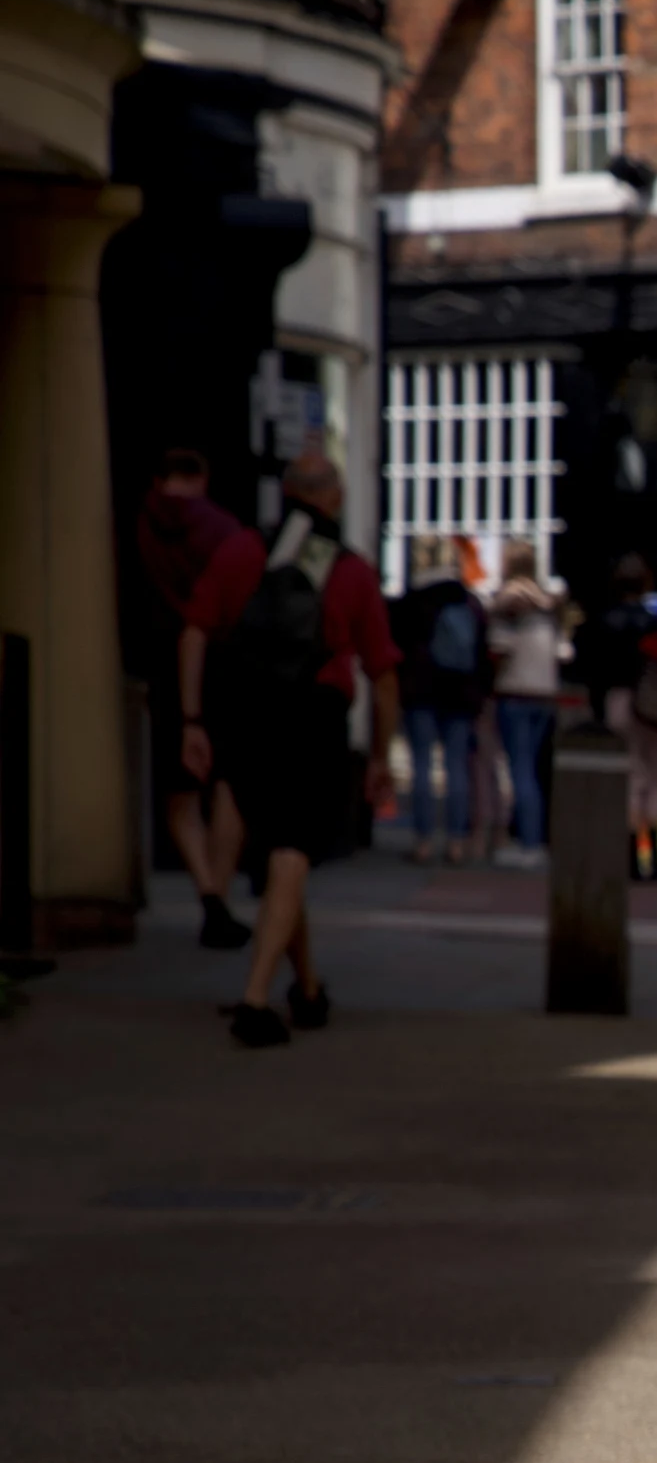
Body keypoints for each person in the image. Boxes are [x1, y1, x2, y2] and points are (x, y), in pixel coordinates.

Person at [181, 448, 397, 1049]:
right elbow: (383, 675)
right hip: (312, 721)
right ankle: (255, 999)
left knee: (279, 851)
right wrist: (380, 756)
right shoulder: (350, 571)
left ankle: (307, 987)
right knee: (294, 850)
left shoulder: (241, 551)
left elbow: (196, 630)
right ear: (334, 498)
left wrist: (193, 719)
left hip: (245, 717)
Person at [135, 448, 252, 947]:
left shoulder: (140, 523)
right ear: (200, 478)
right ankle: (220, 898)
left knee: (180, 792)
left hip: (163, 661)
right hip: (222, 661)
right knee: (227, 783)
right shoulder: (223, 530)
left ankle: (206, 891)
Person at [577, 555, 657, 880]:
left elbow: (592, 673)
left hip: (620, 704)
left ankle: (631, 859)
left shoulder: (604, 622)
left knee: (630, 780)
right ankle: (656, 858)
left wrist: (596, 713)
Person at [389, 535, 489, 866]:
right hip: (460, 694)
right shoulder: (470, 603)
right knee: (456, 766)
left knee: (421, 766)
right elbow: (482, 654)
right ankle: (457, 842)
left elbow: (396, 646)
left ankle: (423, 842)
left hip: (421, 691)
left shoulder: (414, 601)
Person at [485, 540, 563, 859]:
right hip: (545, 694)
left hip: (515, 691)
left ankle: (527, 843)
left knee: (520, 770)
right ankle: (535, 837)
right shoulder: (548, 603)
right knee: (533, 767)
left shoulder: (509, 602)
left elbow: (500, 649)